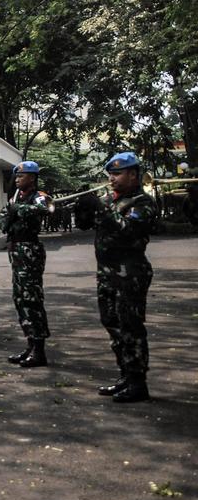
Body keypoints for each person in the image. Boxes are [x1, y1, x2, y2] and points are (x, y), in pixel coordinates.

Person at [75, 152, 155, 402]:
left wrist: (101, 208)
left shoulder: (143, 202)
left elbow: (127, 229)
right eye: (110, 174)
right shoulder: (110, 199)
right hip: (107, 271)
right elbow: (86, 225)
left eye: (118, 174)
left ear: (133, 175)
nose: (112, 178)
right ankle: (125, 375)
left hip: (130, 271)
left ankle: (138, 382)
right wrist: (83, 209)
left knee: (130, 326)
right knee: (111, 323)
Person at [0, 161, 51, 368]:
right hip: (16, 250)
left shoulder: (38, 196)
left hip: (30, 249)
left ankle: (39, 349)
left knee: (32, 298)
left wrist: (17, 210)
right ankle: (30, 344)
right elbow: (2, 220)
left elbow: (44, 209)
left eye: (22, 176)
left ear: (32, 177)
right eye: (17, 176)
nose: (17, 179)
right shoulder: (15, 197)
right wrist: (13, 212)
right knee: (20, 298)